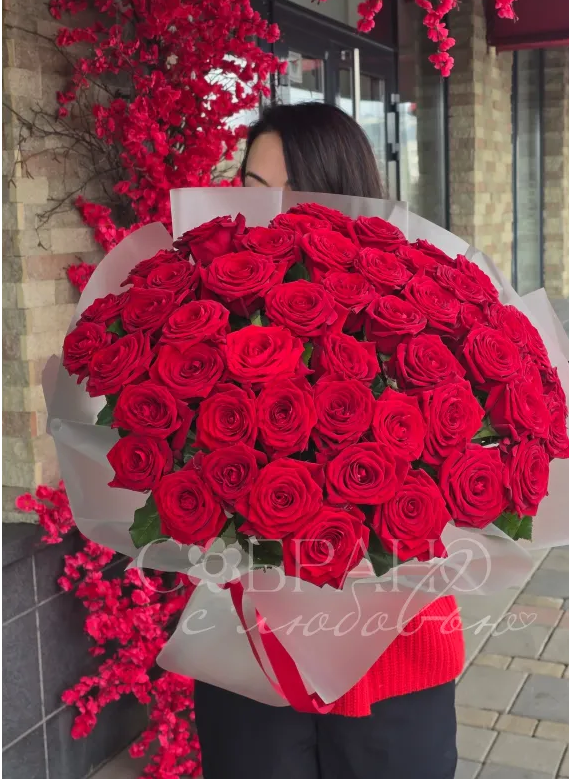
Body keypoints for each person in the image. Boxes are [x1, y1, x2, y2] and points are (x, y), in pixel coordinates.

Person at [194, 102, 465, 779]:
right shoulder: (210, 308)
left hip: (393, 651)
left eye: (296, 192)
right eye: (255, 189)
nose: (273, 212)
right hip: (253, 656)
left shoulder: (415, 301)